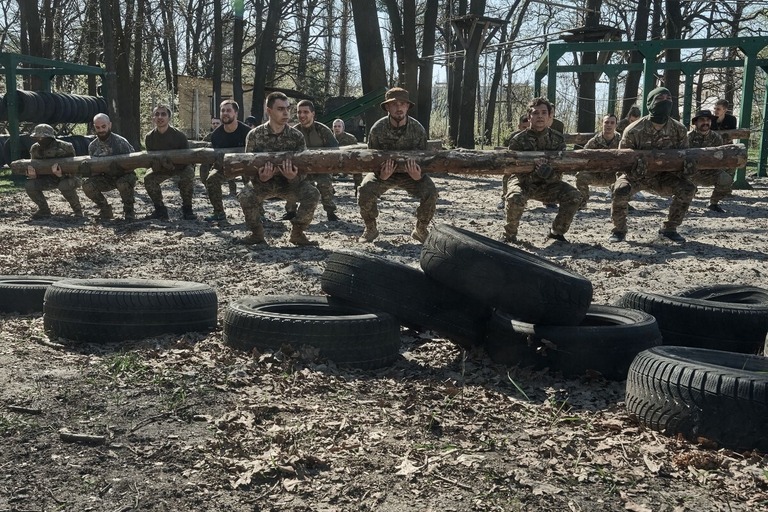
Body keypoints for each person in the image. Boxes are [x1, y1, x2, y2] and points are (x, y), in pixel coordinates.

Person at [609, 87, 697, 243]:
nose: (665, 102)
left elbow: (684, 157)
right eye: (660, 99)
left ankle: (670, 228)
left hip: (664, 178)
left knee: (688, 188)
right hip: (635, 176)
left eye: (668, 99)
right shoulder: (633, 130)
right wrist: (630, 173)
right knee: (620, 190)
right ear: (650, 103)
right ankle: (619, 230)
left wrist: (687, 169)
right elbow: (622, 162)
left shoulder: (679, 130)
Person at [236, 91, 320, 246]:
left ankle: (297, 233)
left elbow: (304, 169)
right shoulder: (254, 135)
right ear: (269, 111)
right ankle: (256, 234)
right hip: (263, 184)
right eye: (281, 109)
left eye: (287, 108)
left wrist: (293, 177)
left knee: (312, 193)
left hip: (289, 184)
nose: (286, 113)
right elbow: (247, 168)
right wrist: (260, 178)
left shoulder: (296, 136)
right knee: (245, 195)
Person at [357, 87, 437, 243]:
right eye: (394, 104)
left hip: (412, 174)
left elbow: (424, 159)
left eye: (402, 104)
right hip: (384, 173)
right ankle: (371, 228)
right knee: (365, 190)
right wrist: (381, 175)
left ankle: (421, 229)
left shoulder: (418, 129)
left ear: (408, 106)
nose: (399, 107)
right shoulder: (377, 129)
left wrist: (418, 176)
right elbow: (371, 158)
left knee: (431, 192)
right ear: (387, 107)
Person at [504, 97, 582, 244]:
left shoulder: (557, 140)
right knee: (515, 197)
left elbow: (561, 168)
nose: (540, 116)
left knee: (574, 196)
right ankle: (510, 235)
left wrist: (550, 174)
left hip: (549, 183)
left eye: (543, 112)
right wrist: (534, 171)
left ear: (549, 116)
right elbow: (513, 168)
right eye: (535, 113)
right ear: (529, 117)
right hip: (524, 182)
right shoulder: (518, 140)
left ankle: (557, 232)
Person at [283, 100, 340, 222]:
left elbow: (335, 151)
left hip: (321, 169)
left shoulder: (323, 130)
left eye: (305, 112)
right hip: (301, 170)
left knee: (325, 184)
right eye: (299, 112)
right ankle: (290, 211)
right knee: (291, 182)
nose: (302, 115)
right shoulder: (293, 132)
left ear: (313, 114)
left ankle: (330, 212)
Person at [143, 105, 197, 220]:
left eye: (163, 114)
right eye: (157, 114)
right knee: (148, 178)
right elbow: (150, 159)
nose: (160, 117)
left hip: (180, 167)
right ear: (153, 118)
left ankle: (188, 209)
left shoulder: (179, 136)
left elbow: (187, 159)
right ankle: (160, 210)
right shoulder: (149, 137)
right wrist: (157, 166)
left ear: (169, 118)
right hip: (161, 169)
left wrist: (173, 166)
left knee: (188, 175)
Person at [203, 99, 252, 222]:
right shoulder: (216, 135)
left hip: (247, 166)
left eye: (228, 110)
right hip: (225, 166)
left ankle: (259, 212)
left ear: (236, 113)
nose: (225, 113)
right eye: (223, 110)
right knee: (211, 179)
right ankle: (218, 212)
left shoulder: (248, 132)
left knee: (253, 181)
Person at [82, 113, 137, 221]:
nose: (101, 130)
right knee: (87, 184)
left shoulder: (121, 142)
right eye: (97, 127)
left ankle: (129, 211)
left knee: (123, 183)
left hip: (124, 175)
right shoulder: (92, 146)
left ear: (109, 125)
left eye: (103, 126)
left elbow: (133, 163)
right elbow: (94, 169)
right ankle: (105, 210)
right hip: (106, 178)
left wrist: (121, 169)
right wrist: (88, 171)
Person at [24, 124, 83, 219]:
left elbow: (74, 169)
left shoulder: (65, 147)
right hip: (48, 179)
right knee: (30, 185)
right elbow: (35, 166)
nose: (40, 140)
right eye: (37, 137)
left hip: (69, 178)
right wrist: (33, 176)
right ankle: (44, 210)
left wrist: (61, 175)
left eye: (42, 137)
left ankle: (78, 210)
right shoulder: (35, 149)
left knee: (64, 185)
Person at [687, 109, 732, 213]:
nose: (706, 123)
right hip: (690, 173)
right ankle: (684, 203)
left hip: (710, 171)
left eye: (708, 120)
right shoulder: (687, 137)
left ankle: (714, 203)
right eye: (702, 120)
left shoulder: (716, 138)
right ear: (695, 122)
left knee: (726, 179)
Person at [575, 113, 622, 209]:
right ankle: (583, 202)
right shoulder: (594, 141)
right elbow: (583, 156)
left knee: (626, 178)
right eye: (606, 122)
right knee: (580, 176)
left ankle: (622, 203)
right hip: (596, 175)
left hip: (613, 176)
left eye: (612, 123)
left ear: (616, 125)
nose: (609, 125)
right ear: (602, 124)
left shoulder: (621, 141)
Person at [499, 115, 531, 209]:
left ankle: (548, 201)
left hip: (530, 163)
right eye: (524, 127)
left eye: (528, 127)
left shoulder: (534, 136)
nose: (526, 130)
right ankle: (504, 198)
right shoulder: (513, 137)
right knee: (507, 176)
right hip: (515, 162)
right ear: (519, 126)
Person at [332, 118, 362, 194]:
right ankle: (328, 190)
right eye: (335, 126)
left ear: (343, 128)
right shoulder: (329, 138)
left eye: (339, 126)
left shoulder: (351, 138)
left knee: (357, 169)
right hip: (333, 164)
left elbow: (356, 154)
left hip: (348, 163)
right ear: (332, 128)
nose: (337, 128)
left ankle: (358, 189)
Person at [200, 117, 228, 190]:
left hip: (224, 158)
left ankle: (232, 190)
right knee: (203, 168)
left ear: (221, 124)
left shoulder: (227, 135)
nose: (215, 125)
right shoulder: (209, 136)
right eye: (213, 123)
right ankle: (208, 188)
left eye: (217, 123)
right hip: (210, 159)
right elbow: (202, 146)